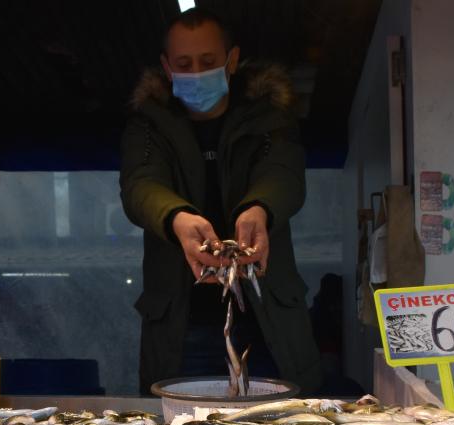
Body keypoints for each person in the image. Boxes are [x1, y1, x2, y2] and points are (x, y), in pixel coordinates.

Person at [120, 8, 322, 395]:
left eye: (208, 61)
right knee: (181, 424)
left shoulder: (270, 117)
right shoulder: (148, 124)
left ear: (231, 60)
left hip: (270, 323)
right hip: (183, 328)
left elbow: (284, 175)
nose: (196, 72)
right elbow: (140, 186)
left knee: (283, 422)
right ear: (167, 67)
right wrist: (177, 218)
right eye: (184, 64)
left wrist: (259, 209)